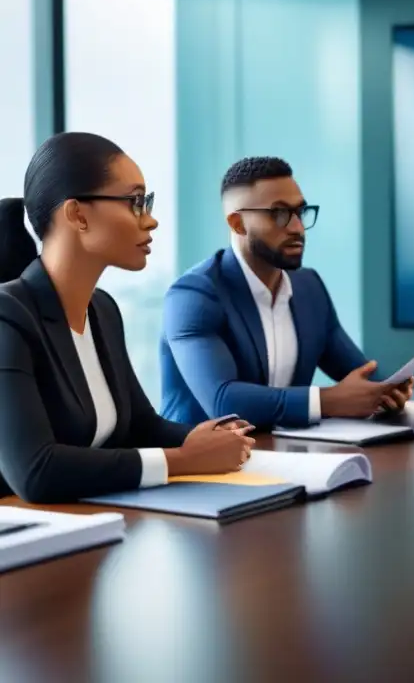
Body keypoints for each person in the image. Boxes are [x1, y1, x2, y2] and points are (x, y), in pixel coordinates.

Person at [0, 132, 254, 504]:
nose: (150, 221)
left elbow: (138, 424)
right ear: (77, 215)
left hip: (91, 523)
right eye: (135, 202)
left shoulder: (103, 309)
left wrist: (204, 438)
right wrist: (182, 460)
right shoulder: (8, 316)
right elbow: (35, 471)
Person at [159, 156, 410, 431]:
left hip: (282, 453)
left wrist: (385, 389)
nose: (297, 228)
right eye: (278, 214)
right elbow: (223, 401)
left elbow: (357, 372)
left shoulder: (308, 287)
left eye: (299, 212)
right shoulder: (194, 295)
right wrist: (327, 401)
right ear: (238, 224)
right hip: (202, 465)